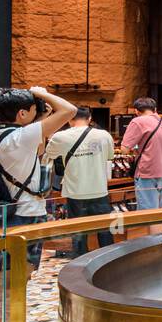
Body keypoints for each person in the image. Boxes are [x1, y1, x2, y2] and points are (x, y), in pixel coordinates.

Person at [0, 86, 77, 322]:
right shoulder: (22, 136)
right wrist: (41, 92)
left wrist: (38, 109)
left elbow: (38, 149)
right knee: (15, 284)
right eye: (31, 109)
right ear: (22, 113)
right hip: (25, 217)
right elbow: (68, 111)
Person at [45, 106, 115, 257]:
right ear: (89, 119)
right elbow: (110, 156)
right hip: (99, 190)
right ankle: (108, 260)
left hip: (75, 192)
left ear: (70, 119)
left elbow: (50, 153)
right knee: (105, 230)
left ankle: (79, 263)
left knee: (78, 231)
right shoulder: (104, 135)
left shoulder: (60, 137)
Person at [120, 97, 162, 211]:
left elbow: (124, 149)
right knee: (159, 211)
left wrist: (135, 148)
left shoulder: (138, 121)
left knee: (148, 215)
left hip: (147, 173)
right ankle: (159, 230)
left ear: (136, 111)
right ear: (155, 109)